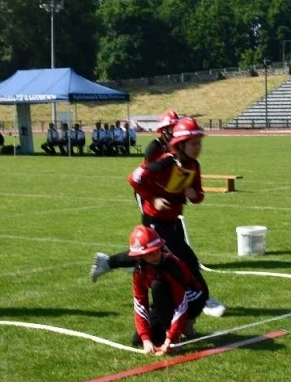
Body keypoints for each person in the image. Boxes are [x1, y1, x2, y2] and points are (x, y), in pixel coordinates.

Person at [91, 116, 225, 317]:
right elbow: (134, 178)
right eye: (194, 143)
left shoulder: (194, 166)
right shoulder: (164, 162)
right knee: (186, 259)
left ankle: (108, 263)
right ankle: (202, 299)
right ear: (180, 144)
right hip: (155, 222)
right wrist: (153, 199)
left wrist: (194, 194)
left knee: (150, 258)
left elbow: (199, 195)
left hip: (172, 221)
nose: (198, 147)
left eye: (200, 143)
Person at [125, 223, 208, 354]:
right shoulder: (139, 272)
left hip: (192, 299)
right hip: (167, 300)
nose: (156, 254)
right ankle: (181, 327)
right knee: (139, 340)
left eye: (157, 249)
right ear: (140, 256)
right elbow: (140, 303)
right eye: (150, 253)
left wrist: (171, 338)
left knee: (158, 286)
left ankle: (183, 327)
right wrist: (145, 338)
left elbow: (181, 303)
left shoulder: (171, 265)